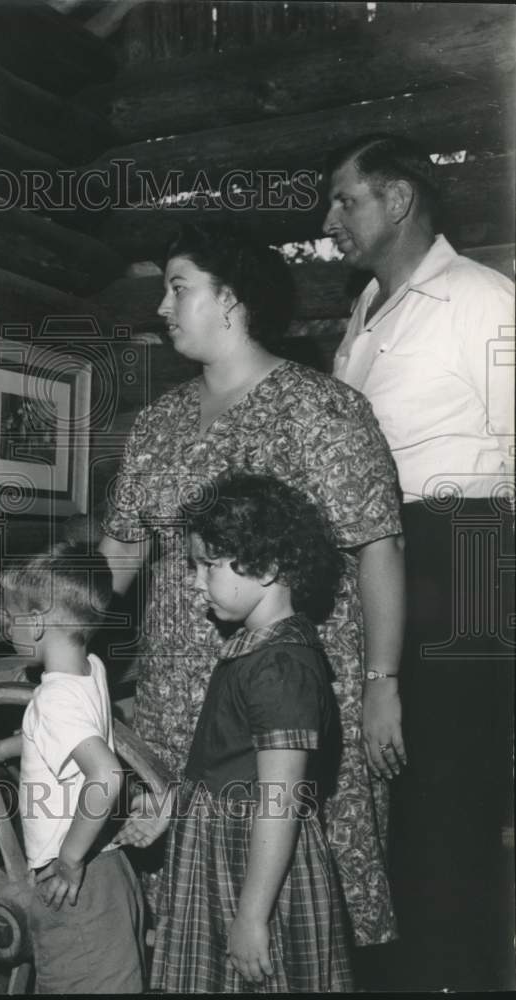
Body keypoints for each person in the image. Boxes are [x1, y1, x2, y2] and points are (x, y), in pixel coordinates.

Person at [98, 220, 405, 950]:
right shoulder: (158, 424)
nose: (163, 307)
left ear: (230, 297)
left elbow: (379, 547)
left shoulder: (322, 411)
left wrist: (381, 683)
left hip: (285, 695)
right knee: (191, 904)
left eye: (178, 288)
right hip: (176, 698)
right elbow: (120, 550)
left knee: (289, 906)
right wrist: (55, 623)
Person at [324, 133, 515, 990]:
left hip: (466, 550)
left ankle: (460, 975)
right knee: (383, 782)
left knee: (451, 784)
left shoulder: (481, 299)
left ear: (396, 200)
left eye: (345, 200)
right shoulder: (364, 312)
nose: (329, 220)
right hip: (380, 556)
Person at [116, 472, 353, 992]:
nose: (195, 581)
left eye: (209, 565)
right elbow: (223, 761)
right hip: (222, 850)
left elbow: (280, 801)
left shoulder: (280, 668)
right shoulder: (254, 650)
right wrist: (173, 807)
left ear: (267, 567)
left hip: (253, 868)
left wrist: (251, 917)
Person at [0, 542, 144, 993]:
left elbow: (107, 775)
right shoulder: (90, 669)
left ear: (38, 622)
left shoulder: (52, 699)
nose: (10, 629)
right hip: (110, 867)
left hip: (73, 883)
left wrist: (68, 859)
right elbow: (61, 737)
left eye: (12, 619)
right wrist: (4, 749)